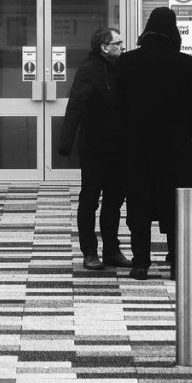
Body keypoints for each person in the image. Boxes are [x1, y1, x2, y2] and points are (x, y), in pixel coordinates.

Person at [115, 7, 192, 280]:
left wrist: (128, 136)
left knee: (139, 202)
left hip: (138, 147)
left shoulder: (127, 62)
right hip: (175, 150)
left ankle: (141, 262)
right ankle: (177, 263)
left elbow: (118, 107)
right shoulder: (186, 64)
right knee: (176, 206)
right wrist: (183, 132)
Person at [58, 27, 131, 271]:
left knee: (114, 201)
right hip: (94, 148)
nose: (123, 46)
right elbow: (75, 107)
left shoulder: (123, 69)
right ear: (104, 47)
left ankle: (112, 250)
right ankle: (89, 251)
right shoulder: (88, 71)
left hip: (119, 148)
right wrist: (66, 143)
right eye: (118, 43)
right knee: (89, 200)